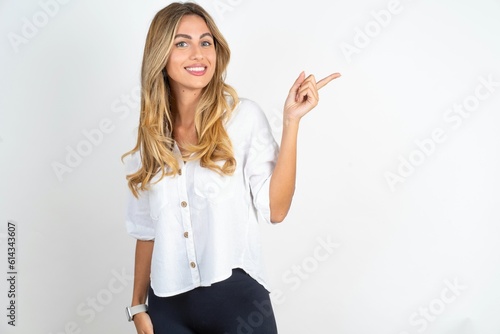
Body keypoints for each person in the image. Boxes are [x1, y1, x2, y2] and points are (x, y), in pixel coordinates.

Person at [122, 2, 340, 333]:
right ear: (160, 56)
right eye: (182, 43)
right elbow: (146, 233)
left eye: (205, 42)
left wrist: (291, 122)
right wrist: (138, 307)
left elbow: (276, 209)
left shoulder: (243, 118)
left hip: (237, 307)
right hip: (167, 311)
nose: (198, 53)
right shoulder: (151, 139)